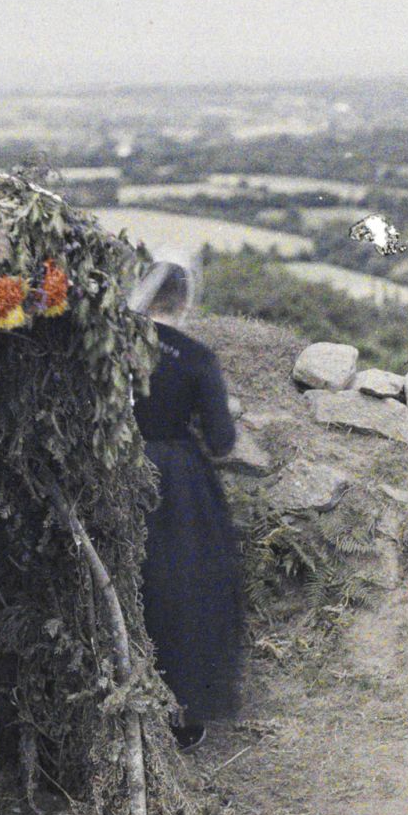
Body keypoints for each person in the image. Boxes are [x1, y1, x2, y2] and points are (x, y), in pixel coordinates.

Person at [129, 261, 243, 751]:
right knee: (184, 589)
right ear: (184, 300)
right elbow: (221, 442)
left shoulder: (114, 341)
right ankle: (181, 714)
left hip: (116, 462)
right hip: (176, 482)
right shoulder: (196, 357)